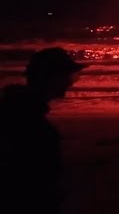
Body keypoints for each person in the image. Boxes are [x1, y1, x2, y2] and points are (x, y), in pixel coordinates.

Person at [0, 47, 87, 214]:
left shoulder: (18, 110)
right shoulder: (29, 122)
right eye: (66, 76)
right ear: (51, 78)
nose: (70, 82)